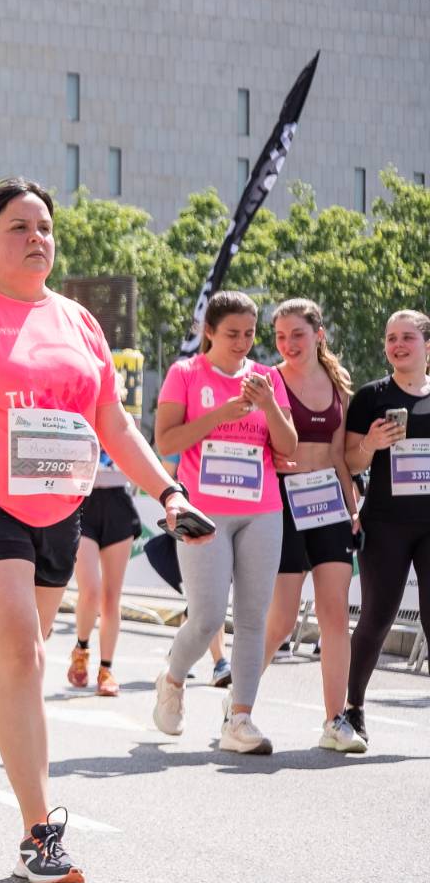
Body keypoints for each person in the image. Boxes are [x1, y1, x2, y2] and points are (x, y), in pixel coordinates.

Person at [0, 179, 205, 883]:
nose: (37, 237)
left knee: (12, 657)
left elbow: (115, 425)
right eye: (19, 227)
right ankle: (39, 834)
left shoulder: (78, 323)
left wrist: (169, 492)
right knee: (22, 650)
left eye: (44, 227)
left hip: (56, 506)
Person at [151, 291, 296, 754]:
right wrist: (219, 415)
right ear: (208, 331)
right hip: (203, 511)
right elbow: (165, 441)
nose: (242, 342)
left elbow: (288, 446)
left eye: (250, 334)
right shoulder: (185, 373)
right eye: (232, 333)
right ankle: (174, 678)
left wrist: (268, 405)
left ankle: (240, 718)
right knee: (208, 615)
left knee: (253, 618)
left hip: (262, 508)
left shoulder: (267, 378)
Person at [261, 300, 364, 752]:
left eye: (297, 334)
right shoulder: (269, 380)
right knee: (282, 619)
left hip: (329, 505)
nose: (288, 344)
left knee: (334, 613)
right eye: (281, 336)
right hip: (283, 503)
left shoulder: (339, 384)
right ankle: (239, 704)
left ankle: (335, 720)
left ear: (319, 334)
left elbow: (339, 456)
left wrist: (353, 507)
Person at [342, 308, 430, 747]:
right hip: (385, 524)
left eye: (407, 337)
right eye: (391, 338)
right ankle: (353, 708)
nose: (397, 345)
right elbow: (349, 460)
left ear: (427, 345)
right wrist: (371, 443)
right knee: (377, 618)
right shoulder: (371, 396)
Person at [66, 446, 139, 697]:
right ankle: (81, 648)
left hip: (118, 501)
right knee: (91, 590)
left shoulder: (123, 418)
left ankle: (106, 669)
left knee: (111, 597)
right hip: (82, 499)